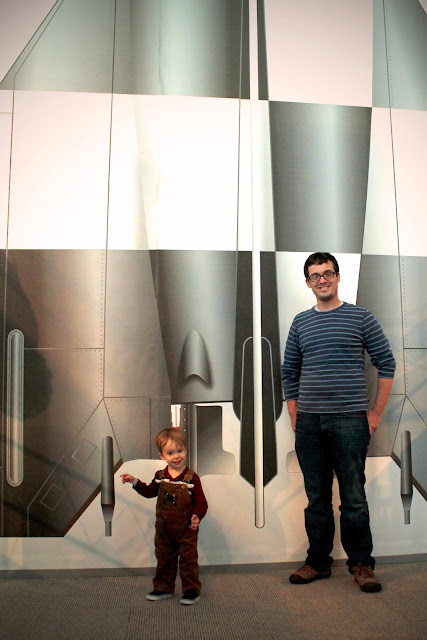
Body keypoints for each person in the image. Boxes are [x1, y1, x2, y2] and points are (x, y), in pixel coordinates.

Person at [282, 252, 395, 592]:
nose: (322, 280)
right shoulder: (301, 323)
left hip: (350, 421)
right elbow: (289, 371)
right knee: (316, 498)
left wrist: (375, 413)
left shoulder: (361, 317)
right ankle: (318, 562)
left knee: (353, 498)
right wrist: (295, 414)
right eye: (315, 275)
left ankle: (361, 565)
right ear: (308, 283)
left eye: (328, 273)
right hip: (310, 424)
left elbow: (386, 363)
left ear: (338, 276)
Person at [121, 428, 208, 605]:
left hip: (186, 529)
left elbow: (202, 503)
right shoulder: (160, 477)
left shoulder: (192, 478)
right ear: (162, 456)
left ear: (185, 450)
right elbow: (149, 492)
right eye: (170, 453)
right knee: (164, 558)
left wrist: (196, 516)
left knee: (188, 561)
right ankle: (163, 588)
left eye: (180, 451)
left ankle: (191, 591)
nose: (176, 456)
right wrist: (134, 481)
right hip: (164, 529)